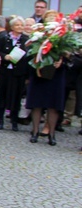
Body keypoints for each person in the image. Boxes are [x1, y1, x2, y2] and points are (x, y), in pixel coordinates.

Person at [26, 10, 66, 146]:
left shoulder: (62, 36)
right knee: (37, 103)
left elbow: (68, 53)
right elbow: (31, 52)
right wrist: (36, 65)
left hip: (56, 74)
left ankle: (52, 133)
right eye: (49, 17)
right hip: (39, 72)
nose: (52, 19)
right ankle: (35, 131)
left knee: (53, 105)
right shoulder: (38, 34)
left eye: (54, 17)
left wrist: (62, 59)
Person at [0, 17, 29, 132]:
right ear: (12, 26)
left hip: (18, 72)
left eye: (21, 25)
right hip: (4, 71)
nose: (19, 27)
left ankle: (14, 120)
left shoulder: (26, 39)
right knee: (2, 95)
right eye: (17, 25)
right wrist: (5, 56)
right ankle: (0, 119)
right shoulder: (4, 37)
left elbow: (28, 55)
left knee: (16, 96)